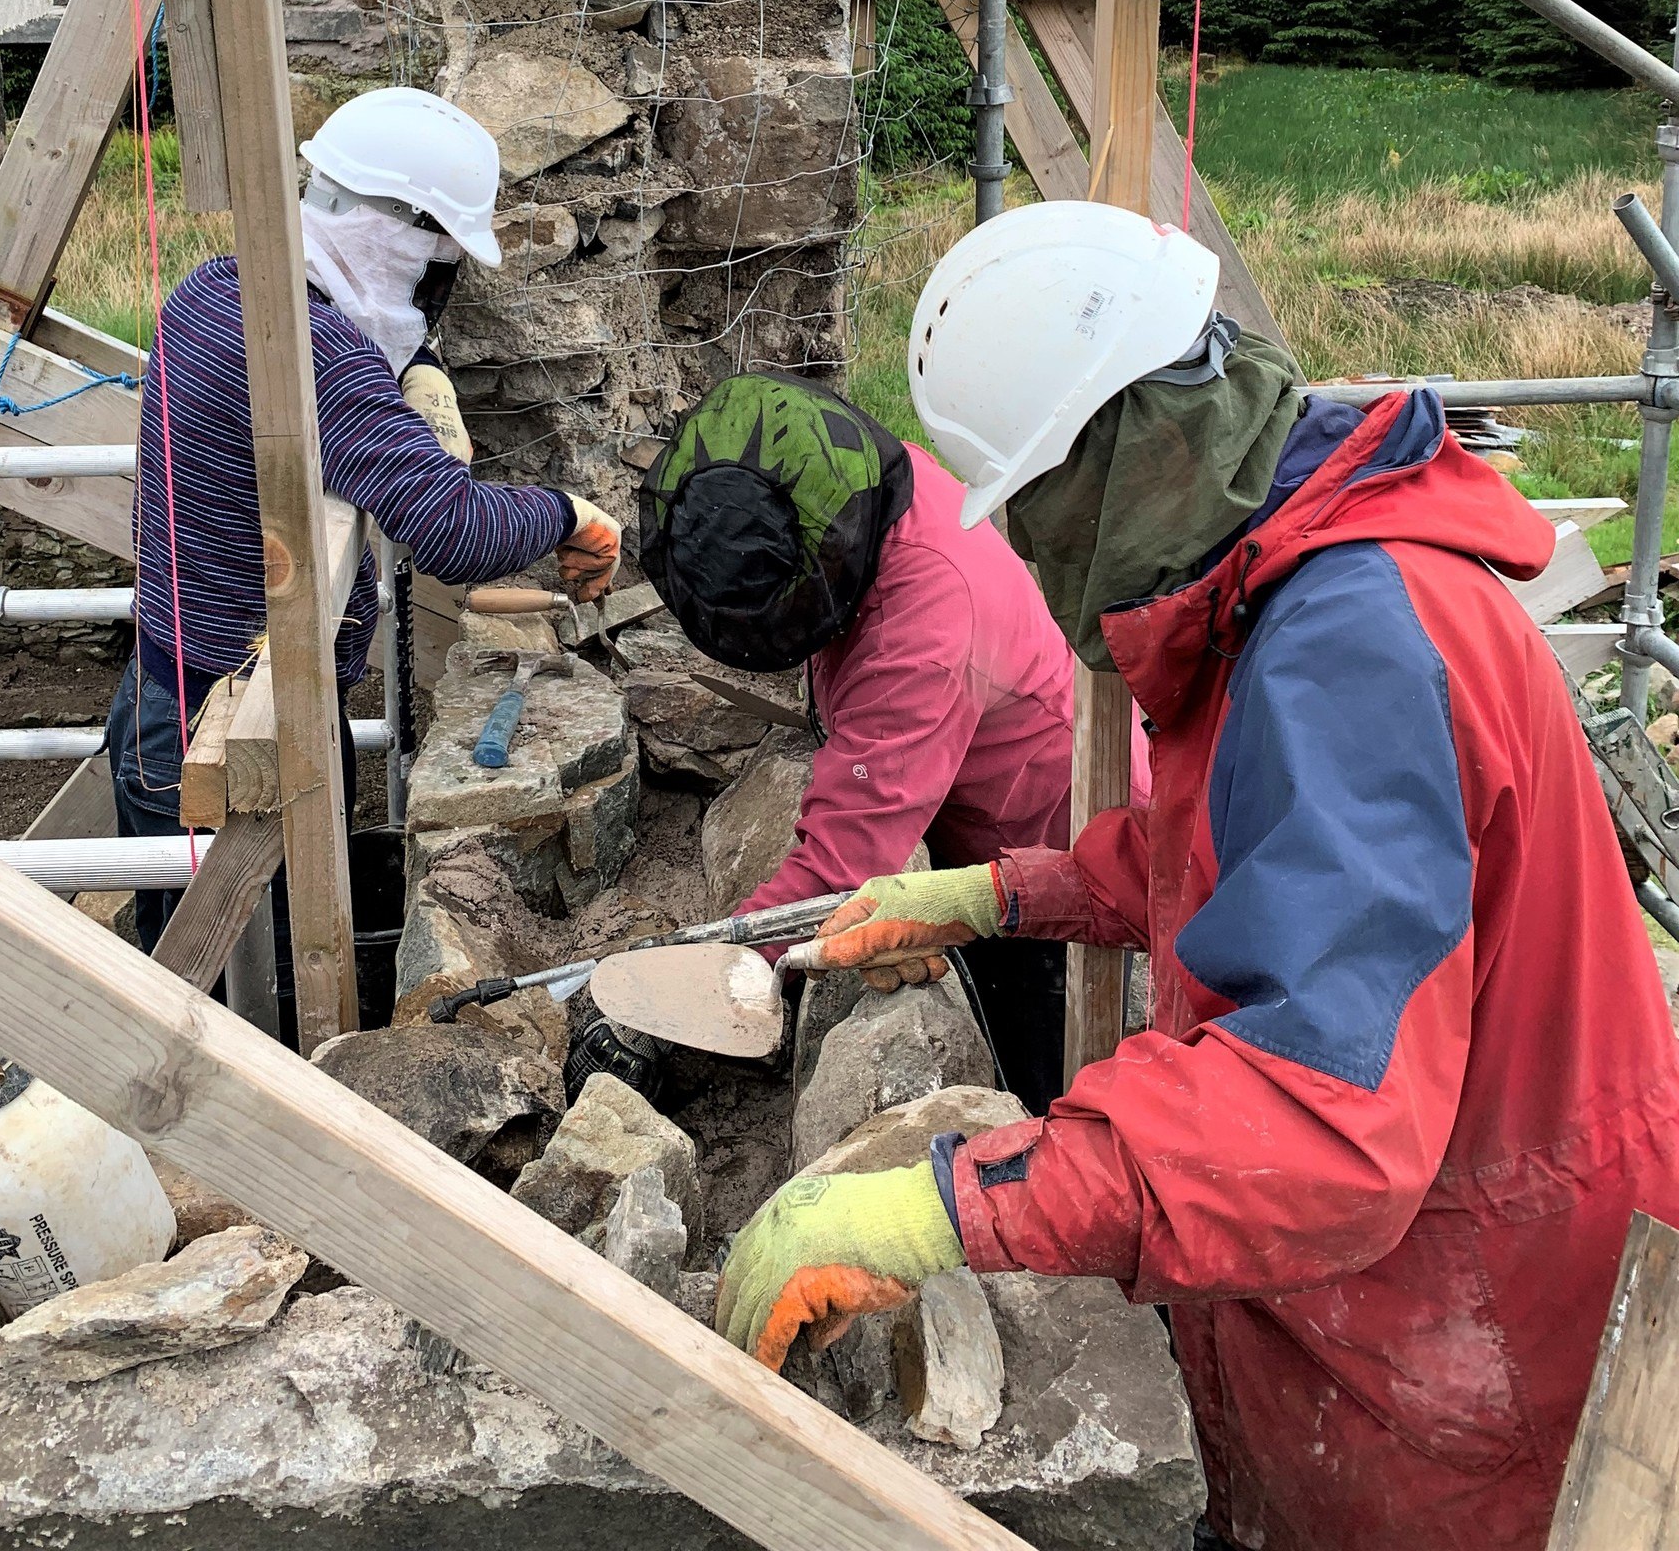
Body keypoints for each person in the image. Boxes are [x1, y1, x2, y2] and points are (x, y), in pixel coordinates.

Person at [716, 200, 1679, 1551]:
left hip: (1465, 1330)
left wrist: (949, 1202)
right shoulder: (1300, 579)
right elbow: (1254, 858)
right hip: (1429, 1274)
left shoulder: (1348, 650)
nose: (1040, 564)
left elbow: (1321, 1124)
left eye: (1039, 512)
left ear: (1115, 455)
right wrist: (999, 894)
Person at [107, 86, 622, 959]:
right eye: (439, 260)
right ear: (401, 235)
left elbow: (371, 338)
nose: (437, 285)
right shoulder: (316, 358)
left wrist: (420, 373)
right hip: (222, 738)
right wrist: (569, 512)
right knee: (224, 1009)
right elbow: (455, 530)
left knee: (247, 957)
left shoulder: (221, 289)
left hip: (178, 695)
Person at [637, 372, 1146, 1112]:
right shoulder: (858, 488)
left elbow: (841, 865)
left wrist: (699, 974)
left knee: (1039, 1068)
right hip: (994, 784)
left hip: (1063, 838)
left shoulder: (922, 639)